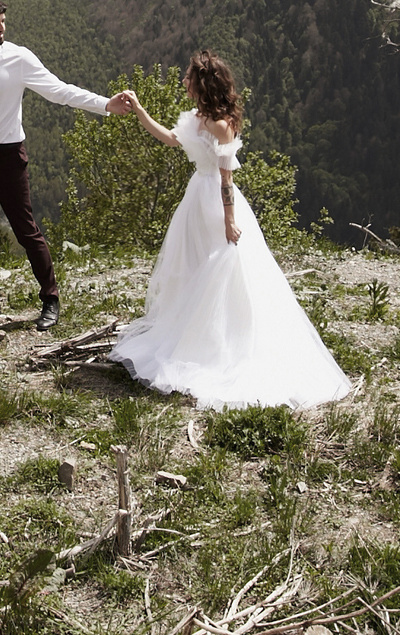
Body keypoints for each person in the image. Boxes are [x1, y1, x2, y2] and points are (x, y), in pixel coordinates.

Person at [108, 51, 352, 408]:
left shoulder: (221, 125)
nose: (183, 82)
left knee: (222, 271)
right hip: (196, 201)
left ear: (202, 83)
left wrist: (230, 219)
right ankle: (195, 337)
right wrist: (141, 110)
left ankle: (221, 343)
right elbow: (171, 139)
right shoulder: (197, 117)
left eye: (188, 77)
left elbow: (226, 176)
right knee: (195, 271)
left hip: (215, 203)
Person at [0, 0, 136, 330]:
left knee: (26, 230)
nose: (2, 28)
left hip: (9, 155)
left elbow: (60, 91)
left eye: (3, 21)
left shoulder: (19, 58)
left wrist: (104, 105)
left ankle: (50, 299)